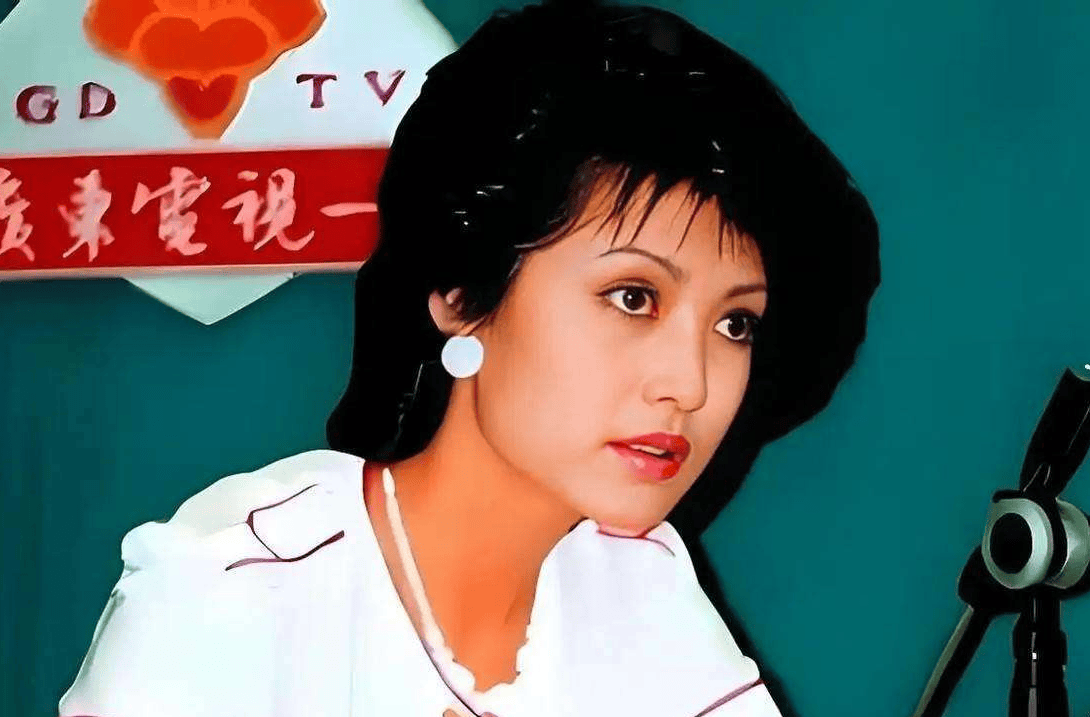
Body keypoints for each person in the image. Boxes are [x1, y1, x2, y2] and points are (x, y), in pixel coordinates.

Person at [58, 1, 880, 715]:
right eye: (633, 297)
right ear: (460, 289)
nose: (690, 383)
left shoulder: (643, 588)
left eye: (734, 323)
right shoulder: (235, 588)